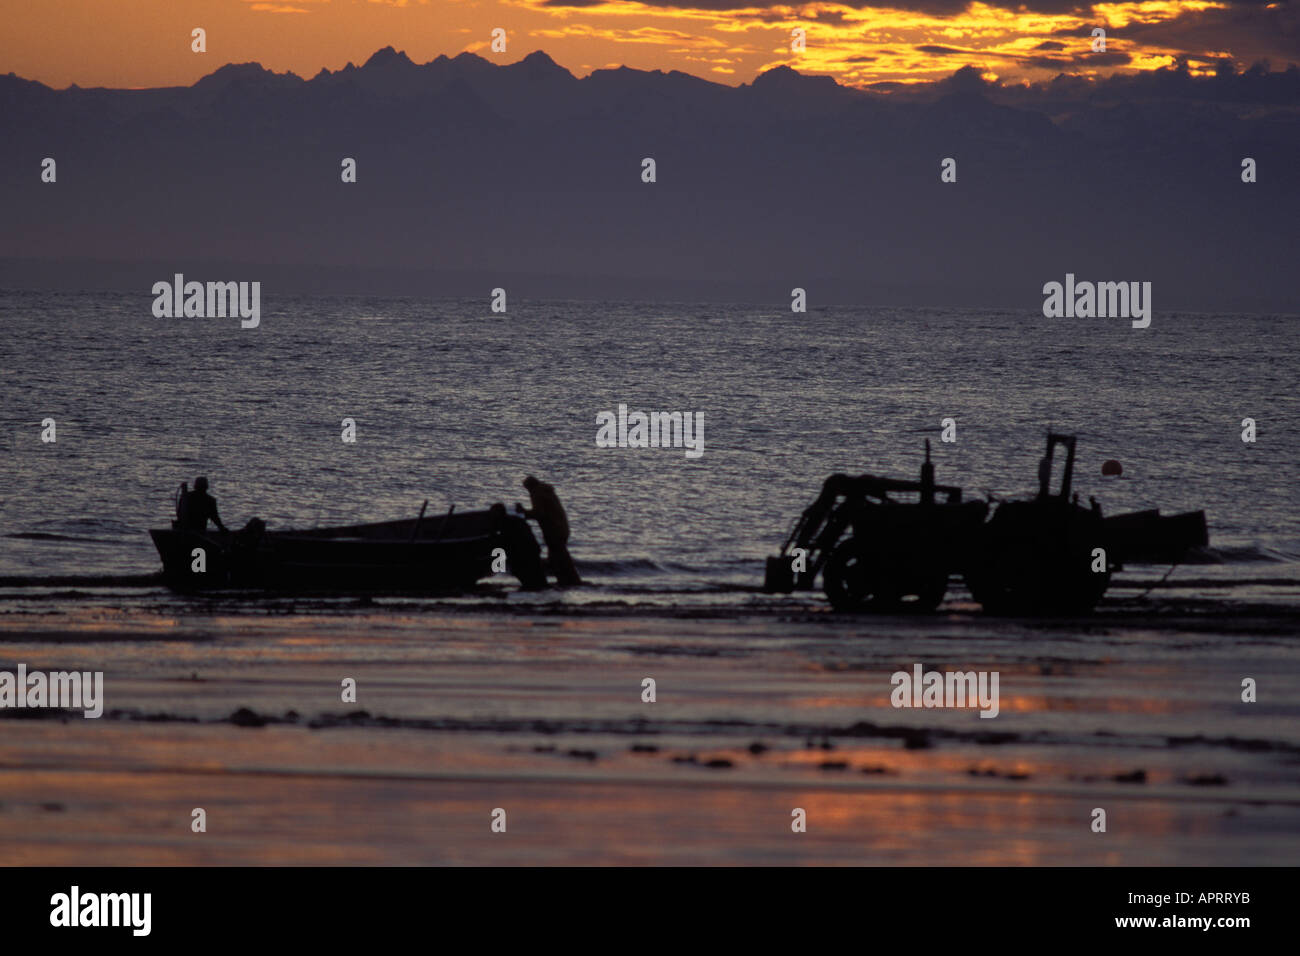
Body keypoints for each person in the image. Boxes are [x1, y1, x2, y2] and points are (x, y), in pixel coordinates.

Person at [518, 475, 581, 586]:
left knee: (559, 558)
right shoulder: (547, 491)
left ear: (529, 486)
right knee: (558, 557)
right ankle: (567, 580)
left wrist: (523, 512)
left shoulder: (537, 493)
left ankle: (568, 581)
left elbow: (539, 513)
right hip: (562, 529)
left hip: (553, 531)